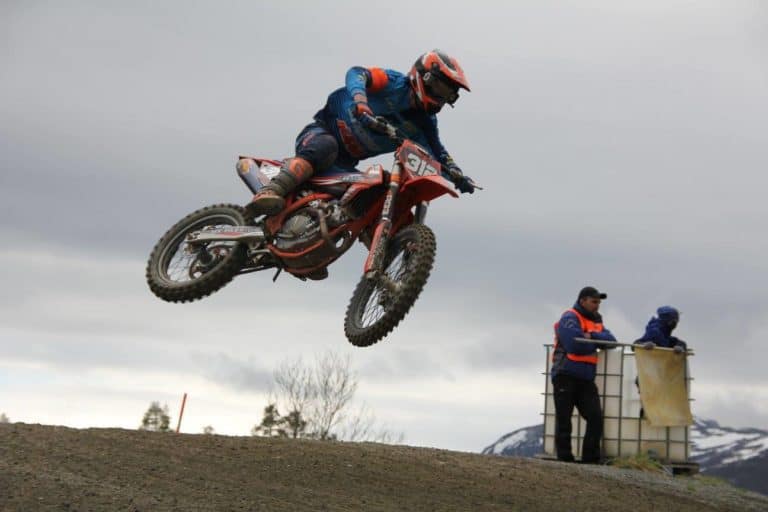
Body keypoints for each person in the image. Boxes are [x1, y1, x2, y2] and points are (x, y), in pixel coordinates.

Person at [245, 49, 476, 219]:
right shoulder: (394, 83)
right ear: (423, 76)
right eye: (440, 88)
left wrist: (457, 175)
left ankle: (315, 244)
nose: (442, 97)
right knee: (326, 145)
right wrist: (361, 102)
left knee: (367, 196)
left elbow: (438, 154)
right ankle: (271, 190)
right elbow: (357, 73)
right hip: (320, 133)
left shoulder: (425, 123)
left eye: (449, 95)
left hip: (343, 165)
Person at [551, 286, 617, 463]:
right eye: (594, 301)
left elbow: (612, 341)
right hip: (565, 374)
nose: (597, 306)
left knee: (595, 418)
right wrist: (596, 342)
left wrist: (590, 336)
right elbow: (574, 345)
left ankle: (590, 459)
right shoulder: (570, 317)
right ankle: (565, 458)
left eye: (598, 302)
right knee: (564, 419)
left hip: (586, 378)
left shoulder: (597, 320)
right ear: (583, 301)